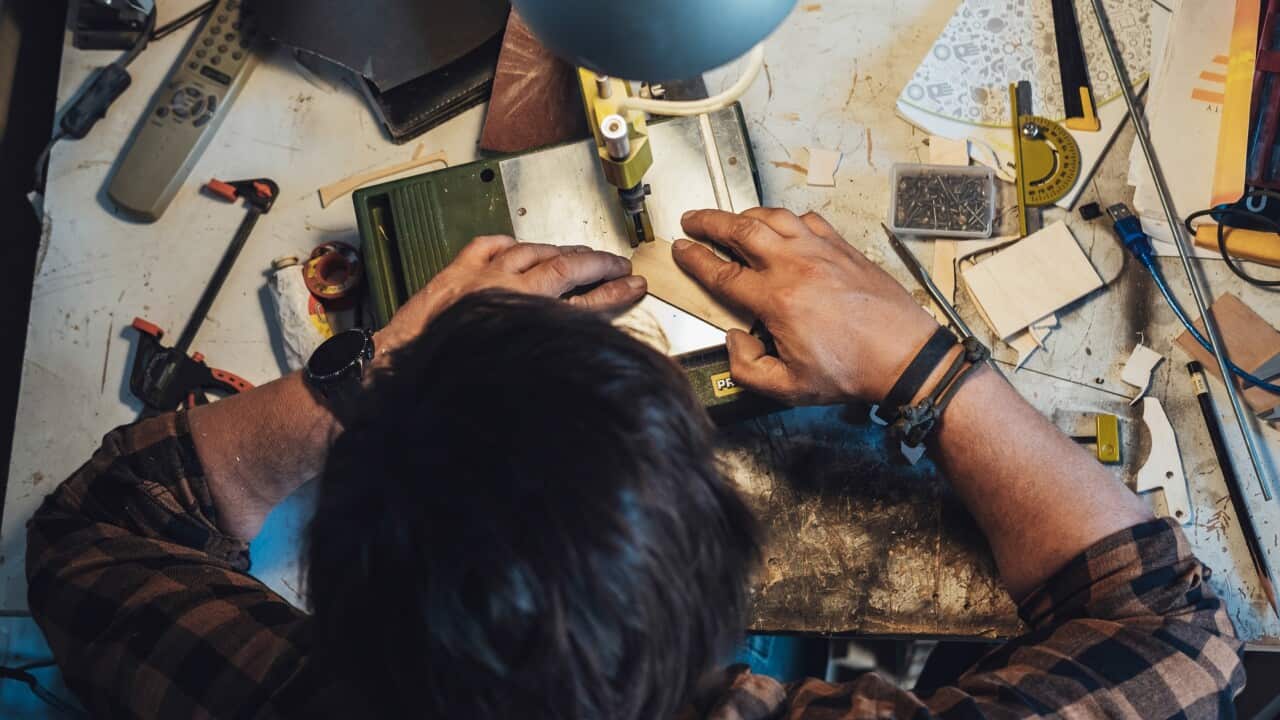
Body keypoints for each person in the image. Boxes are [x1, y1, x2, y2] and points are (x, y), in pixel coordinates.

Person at [27, 208, 1243, 718]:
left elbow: (94, 528)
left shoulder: (270, 692)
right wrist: (923, 366)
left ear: (336, 583)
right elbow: (1171, 629)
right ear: (730, 588)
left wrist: (377, 368)